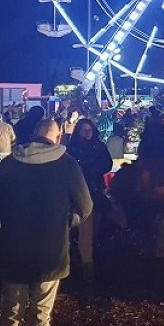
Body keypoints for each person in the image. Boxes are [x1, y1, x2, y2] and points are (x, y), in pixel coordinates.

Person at [0, 119, 93, 326]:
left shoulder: (9, 164)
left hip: (14, 250)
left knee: (11, 314)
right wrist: (67, 222)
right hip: (51, 252)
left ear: (33, 134)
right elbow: (85, 207)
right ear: (57, 138)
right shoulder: (67, 164)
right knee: (40, 314)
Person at [67, 117, 112, 282]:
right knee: (84, 224)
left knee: (96, 221)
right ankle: (86, 261)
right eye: (83, 130)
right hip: (80, 189)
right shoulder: (73, 149)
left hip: (95, 188)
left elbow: (107, 163)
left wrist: (95, 168)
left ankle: (91, 249)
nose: (87, 133)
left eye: (89, 130)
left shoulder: (98, 146)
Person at [136, 119, 164, 257]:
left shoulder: (145, 143)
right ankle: (160, 247)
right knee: (160, 216)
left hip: (149, 180)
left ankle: (150, 246)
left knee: (151, 214)